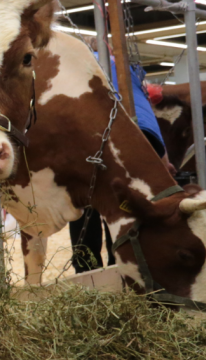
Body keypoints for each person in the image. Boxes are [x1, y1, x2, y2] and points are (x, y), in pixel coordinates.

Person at [70, 52, 172, 273]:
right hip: (136, 137)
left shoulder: (76, 61)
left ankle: (87, 270)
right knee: (119, 204)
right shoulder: (127, 69)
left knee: (89, 205)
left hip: (90, 142)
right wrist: (164, 158)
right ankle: (121, 263)